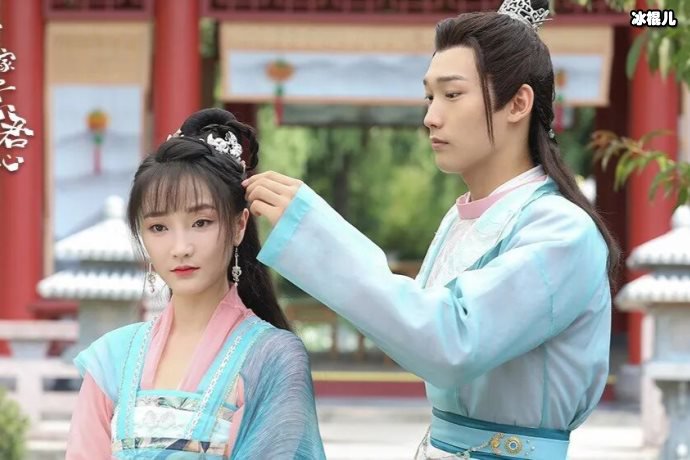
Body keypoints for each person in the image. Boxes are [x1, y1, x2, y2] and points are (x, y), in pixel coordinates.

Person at [242, 0, 620, 458]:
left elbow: (448, 341)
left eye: (452, 94)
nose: (431, 117)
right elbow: (414, 325)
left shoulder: (563, 232)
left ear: (519, 103)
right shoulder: (462, 218)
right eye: (429, 97)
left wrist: (314, 232)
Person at [66, 108, 326, 459]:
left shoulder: (272, 357)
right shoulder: (111, 358)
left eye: (201, 222)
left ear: (239, 225)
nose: (180, 247)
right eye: (159, 227)